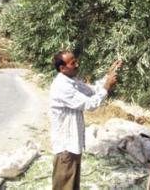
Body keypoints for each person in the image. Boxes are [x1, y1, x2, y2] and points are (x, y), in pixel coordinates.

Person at [50, 51, 122, 190]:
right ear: (62, 68)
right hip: (66, 146)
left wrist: (109, 75)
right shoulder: (62, 87)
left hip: (73, 144)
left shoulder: (72, 82)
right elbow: (90, 104)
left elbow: (92, 91)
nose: (77, 65)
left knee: (72, 185)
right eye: (73, 63)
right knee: (64, 185)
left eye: (76, 61)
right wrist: (107, 87)